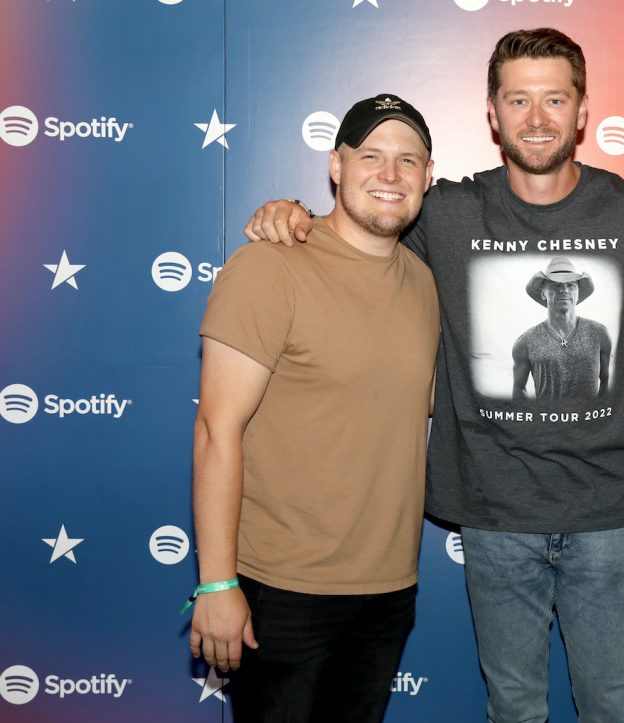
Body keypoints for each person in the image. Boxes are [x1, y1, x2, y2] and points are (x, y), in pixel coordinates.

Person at [243, 29, 624, 723]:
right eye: (518, 99)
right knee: (514, 710)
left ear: (583, 111)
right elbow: (367, 221)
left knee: (613, 707)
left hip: (613, 517)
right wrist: (294, 215)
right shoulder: (448, 210)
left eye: (555, 98)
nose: (537, 117)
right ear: (492, 113)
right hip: (496, 519)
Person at [187, 94, 438, 723]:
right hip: (282, 590)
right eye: (371, 156)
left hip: (387, 592)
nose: (390, 174)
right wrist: (217, 583)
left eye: (408, 160)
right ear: (336, 165)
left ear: (428, 178)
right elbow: (218, 430)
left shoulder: (424, 281)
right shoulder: (269, 267)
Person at [513, 257, 612, 400]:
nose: (564, 290)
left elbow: (606, 383)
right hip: (547, 421)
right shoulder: (525, 342)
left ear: (578, 294)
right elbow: (518, 388)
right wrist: (535, 419)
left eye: (571, 285)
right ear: (543, 294)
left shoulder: (599, 334)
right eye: (555, 285)